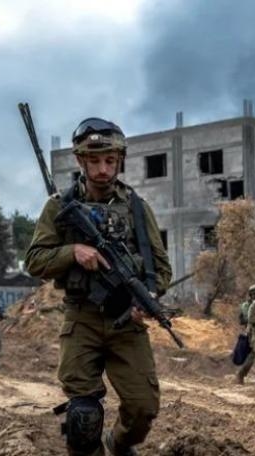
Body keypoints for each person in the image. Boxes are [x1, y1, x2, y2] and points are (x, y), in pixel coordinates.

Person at [25, 117, 172, 456]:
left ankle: (116, 444)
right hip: (82, 319)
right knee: (83, 416)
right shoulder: (58, 206)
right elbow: (34, 261)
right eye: (94, 161)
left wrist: (148, 299)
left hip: (127, 322)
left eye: (110, 160)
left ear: (120, 160)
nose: (103, 169)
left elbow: (161, 268)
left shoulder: (137, 208)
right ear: (81, 161)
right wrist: (72, 252)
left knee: (143, 409)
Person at [236, 283, 255, 384]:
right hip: (252, 331)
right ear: (252, 295)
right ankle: (241, 374)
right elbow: (246, 319)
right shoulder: (246, 305)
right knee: (252, 355)